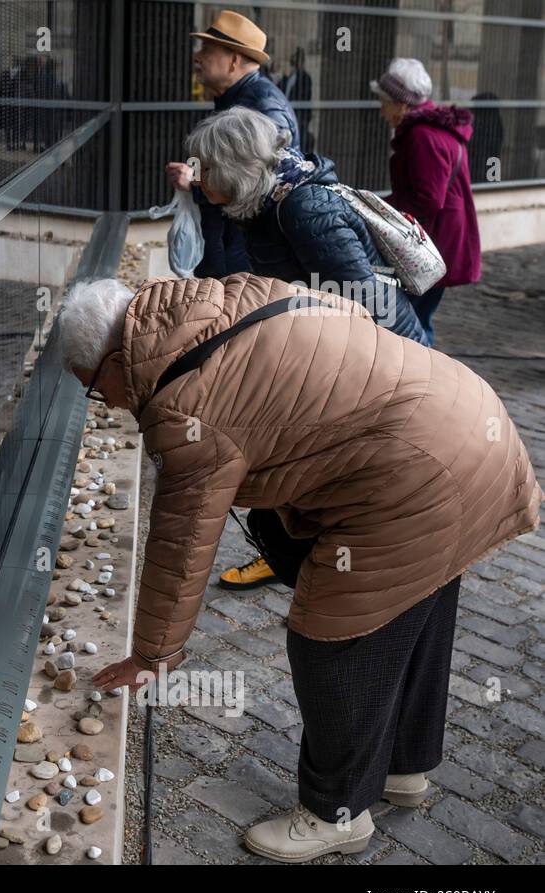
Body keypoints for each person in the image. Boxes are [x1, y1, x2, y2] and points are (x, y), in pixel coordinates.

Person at [58, 274, 541, 862]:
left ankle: (335, 813)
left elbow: (182, 541)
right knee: (419, 599)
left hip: (414, 476)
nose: (105, 402)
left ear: (114, 359)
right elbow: (332, 339)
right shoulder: (224, 298)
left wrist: (152, 655)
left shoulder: (180, 404)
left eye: (93, 388)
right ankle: (403, 769)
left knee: (331, 639)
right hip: (465, 419)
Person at [185, 105, 426, 590]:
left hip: (385, 362)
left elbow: (366, 300)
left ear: (234, 166)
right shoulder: (261, 200)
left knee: (342, 481)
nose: (197, 175)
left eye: (205, 167)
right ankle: (309, 561)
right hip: (339, 358)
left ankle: (341, 576)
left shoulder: (301, 206)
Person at [165, 10, 298, 280]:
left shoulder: (263, 108)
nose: (196, 56)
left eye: (206, 49)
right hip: (230, 250)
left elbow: (259, 187)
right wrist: (196, 177)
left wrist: (194, 182)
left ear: (234, 60)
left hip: (244, 258)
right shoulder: (236, 99)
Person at [373, 57, 481, 346]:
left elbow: (427, 199)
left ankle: (421, 382)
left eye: (384, 102)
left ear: (402, 103)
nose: (382, 111)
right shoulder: (432, 129)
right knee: (417, 316)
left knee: (410, 321)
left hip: (432, 242)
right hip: (440, 239)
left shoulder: (422, 135)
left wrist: (380, 207)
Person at [275, 46, 313, 154]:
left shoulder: (305, 77)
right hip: (287, 113)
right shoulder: (289, 76)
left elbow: (304, 96)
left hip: (299, 115)